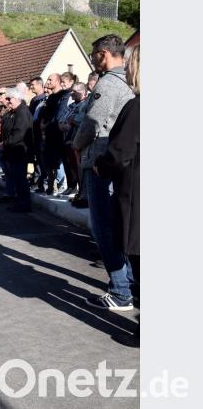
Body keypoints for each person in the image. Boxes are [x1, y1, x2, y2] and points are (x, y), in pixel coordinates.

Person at [74, 34, 136, 311]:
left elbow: (91, 123)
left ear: (104, 54)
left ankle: (121, 291)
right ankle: (129, 283)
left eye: (93, 54)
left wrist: (76, 146)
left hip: (101, 161)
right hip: (121, 162)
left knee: (104, 228)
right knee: (120, 227)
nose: (92, 58)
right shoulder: (130, 82)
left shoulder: (109, 83)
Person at [95, 43, 140, 312]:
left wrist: (102, 165)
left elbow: (120, 150)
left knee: (140, 259)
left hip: (136, 191)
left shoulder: (139, 106)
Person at [0, 87, 34, 212]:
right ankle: (20, 202)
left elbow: (19, 133)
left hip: (19, 151)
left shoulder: (22, 112)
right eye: (6, 98)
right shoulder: (13, 112)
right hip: (12, 152)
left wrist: (4, 144)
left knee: (20, 179)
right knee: (16, 179)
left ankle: (24, 204)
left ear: (18, 98)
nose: (7, 101)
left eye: (9, 98)